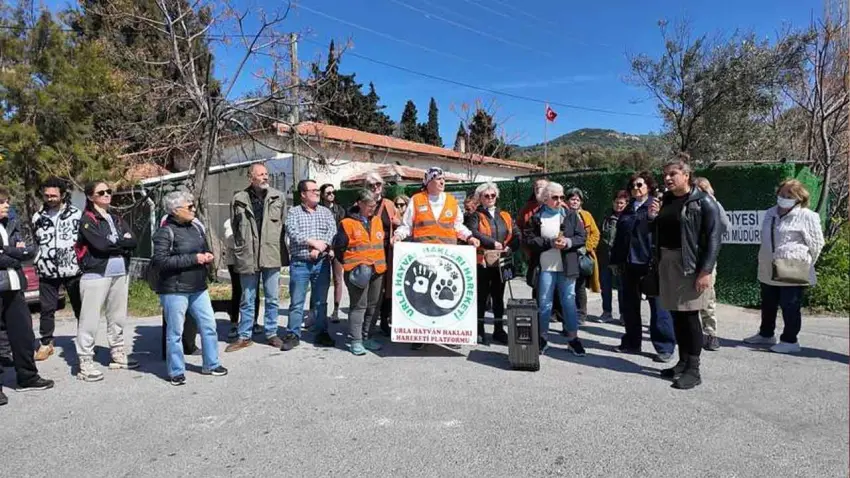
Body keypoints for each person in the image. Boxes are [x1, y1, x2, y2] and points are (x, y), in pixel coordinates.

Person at [653, 157, 722, 389]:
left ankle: (694, 370)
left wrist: (705, 271)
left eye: (672, 173)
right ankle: (682, 363)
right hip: (667, 261)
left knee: (690, 316)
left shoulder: (704, 202)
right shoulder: (667, 200)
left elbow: (714, 239)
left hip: (690, 265)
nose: (667, 178)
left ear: (686, 175)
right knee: (677, 315)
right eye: (665, 174)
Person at [392, 167, 480, 350]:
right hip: (423, 259)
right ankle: (420, 335)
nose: (442, 182)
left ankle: (447, 334)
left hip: (447, 259)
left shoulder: (451, 201)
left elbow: (458, 226)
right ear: (429, 182)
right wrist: (398, 235)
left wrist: (470, 237)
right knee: (422, 297)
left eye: (443, 179)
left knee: (447, 298)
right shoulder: (417, 200)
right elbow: (407, 225)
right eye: (438, 179)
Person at [152, 191, 227, 386]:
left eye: (194, 206)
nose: (194, 210)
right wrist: (194, 259)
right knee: (175, 333)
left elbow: (201, 250)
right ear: (176, 210)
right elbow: (160, 261)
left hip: (198, 287)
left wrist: (206, 255)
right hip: (174, 289)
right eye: (190, 207)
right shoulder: (165, 232)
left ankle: (211, 364)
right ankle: (176, 371)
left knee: (209, 326)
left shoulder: (196, 227)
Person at [744, 179, 824, 354]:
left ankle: (790, 340)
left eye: (789, 195)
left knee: (790, 305)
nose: (784, 198)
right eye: (782, 194)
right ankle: (766, 334)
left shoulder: (807, 216)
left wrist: (804, 263)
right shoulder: (770, 213)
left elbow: (817, 244)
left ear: (799, 197)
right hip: (768, 266)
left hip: (792, 268)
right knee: (768, 302)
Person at [74, 181, 139, 381]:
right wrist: (121, 242)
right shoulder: (87, 219)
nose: (106, 195)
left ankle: (117, 353)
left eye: (108, 191)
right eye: (101, 192)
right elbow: (100, 245)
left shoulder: (116, 218)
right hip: (96, 274)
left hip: (120, 272)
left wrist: (116, 242)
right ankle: (85, 361)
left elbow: (133, 241)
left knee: (117, 316)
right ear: (90, 196)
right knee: (90, 319)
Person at [610, 171, 676, 363]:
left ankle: (665, 347)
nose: (636, 188)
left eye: (639, 185)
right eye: (633, 186)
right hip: (628, 265)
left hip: (651, 265)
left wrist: (654, 217)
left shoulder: (656, 206)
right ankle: (632, 342)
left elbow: (665, 231)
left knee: (659, 308)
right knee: (630, 307)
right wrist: (615, 261)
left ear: (648, 186)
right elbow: (619, 238)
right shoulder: (628, 209)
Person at [0, 187, 54, 406]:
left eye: (7, 201)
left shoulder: (11, 224)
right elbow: (13, 255)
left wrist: (7, 251)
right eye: (2, 202)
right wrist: (14, 253)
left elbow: (28, 251)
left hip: (14, 285)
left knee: (23, 335)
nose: (7, 205)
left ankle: (27, 377)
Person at [226, 163, 286, 352]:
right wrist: (242, 248)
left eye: (266, 174)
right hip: (248, 255)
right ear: (251, 178)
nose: (265, 177)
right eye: (261, 174)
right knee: (248, 298)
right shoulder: (239, 199)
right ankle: (245, 336)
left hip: (270, 254)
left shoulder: (278, 197)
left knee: (272, 297)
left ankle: (271, 333)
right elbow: (236, 229)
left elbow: (281, 225)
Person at [523, 182, 587, 356]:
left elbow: (582, 237)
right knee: (544, 303)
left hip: (567, 267)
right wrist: (550, 243)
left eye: (562, 197)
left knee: (569, 302)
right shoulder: (537, 217)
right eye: (555, 197)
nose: (559, 200)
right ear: (545, 199)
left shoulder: (570, 215)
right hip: (545, 267)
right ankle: (542, 338)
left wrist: (568, 242)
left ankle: (573, 339)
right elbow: (529, 240)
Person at [31, 177, 83, 361]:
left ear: (62, 194)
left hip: (72, 268)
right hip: (47, 268)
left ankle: (84, 340)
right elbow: (35, 241)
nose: (50, 198)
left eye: (53, 195)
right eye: (46, 195)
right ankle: (46, 343)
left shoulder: (76, 214)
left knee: (80, 306)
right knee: (47, 308)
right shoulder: (37, 217)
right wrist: (38, 258)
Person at [283, 179, 338, 350]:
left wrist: (322, 246)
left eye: (317, 190)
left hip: (321, 263)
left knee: (321, 301)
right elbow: (292, 232)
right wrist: (313, 243)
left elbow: (332, 231)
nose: (316, 193)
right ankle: (293, 334)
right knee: (297, 301)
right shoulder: (294, 212)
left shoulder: (325, 212)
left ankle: (321, 333)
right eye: (312, 190)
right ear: (303, 194)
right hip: (300, 263)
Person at [333, 189, 386, 356]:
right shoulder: (347, 223)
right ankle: (356, 340)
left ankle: (367, 337)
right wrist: (351, 263)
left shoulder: (377, 221)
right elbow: (339, 248)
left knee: (373, 306)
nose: (373, 208)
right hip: (358, 271)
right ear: (360, 204)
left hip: (377, 269)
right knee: (359, 306)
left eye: (374, 205)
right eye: (369, 205)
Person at [466, 182, 519, 346]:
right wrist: (492, 243)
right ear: (480, 198)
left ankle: (498, 330)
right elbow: (473, 232)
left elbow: (517, 234)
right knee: (481, 296)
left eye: (493, 195)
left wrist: (510, 247)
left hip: (501, 262)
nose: (490, 198)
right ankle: (479, 329)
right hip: (482, 261)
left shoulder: (505, 215)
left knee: (498, 297)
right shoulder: (475, 215)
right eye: (486, 196)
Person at [692, 177, 731, 351]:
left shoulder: (713, 205)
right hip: (689, 257)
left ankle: (710, 333)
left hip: (706, 257)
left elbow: (725, 226)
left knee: (707, 296)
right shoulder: (688, 204)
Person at [363, 173, 400, 337]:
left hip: (387, 251)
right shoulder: (362, 203)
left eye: (378, 184)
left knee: (387, 287)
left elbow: (400, 225)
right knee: (369, 288)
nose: (375, 187)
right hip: (369, 252)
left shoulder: (389, 204)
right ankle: (366, 324)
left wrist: (397, 225)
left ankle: (384, 320)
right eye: (371, 185)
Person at [565, 188, 601, 324]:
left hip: (580, 255)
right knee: (565, 285)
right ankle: (562, 313)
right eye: (572, 199)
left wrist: (586, 248)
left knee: (579, 286)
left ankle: (581, 314)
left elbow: (595, 234)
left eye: (577, 200)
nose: (575, 202)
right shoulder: (562, 214)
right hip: (566, 254)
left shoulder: (586, 215)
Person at [223, 218, 260, 340]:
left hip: (252, 260)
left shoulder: (253, 220)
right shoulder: (229, 221)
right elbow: (230, 241)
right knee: (238, 291)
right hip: (234, 261)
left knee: (253, 291)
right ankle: (234, 323)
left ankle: (254, 322)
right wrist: (247, 242)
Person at [597, 190, 629, 324]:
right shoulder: (606, 217)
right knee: (605, 286)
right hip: (605, 257)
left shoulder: (628, 217)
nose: (619, 205)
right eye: (617, 202)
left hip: (621, 258)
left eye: (621, 203)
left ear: (626, 204)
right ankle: (607, 312)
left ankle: (624, 314)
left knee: (622, 287)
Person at [320, 183, 346, 324]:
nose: (331, 195)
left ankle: (336, 310)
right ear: (322, 195)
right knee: (320, 281)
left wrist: (335, 249)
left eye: (333, 192)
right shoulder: (317, 209)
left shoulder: (340, 210)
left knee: (337, 279)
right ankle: (317, 311)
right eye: (328, 193)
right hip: (321, 248)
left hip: (336, 249)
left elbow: (341, 232)